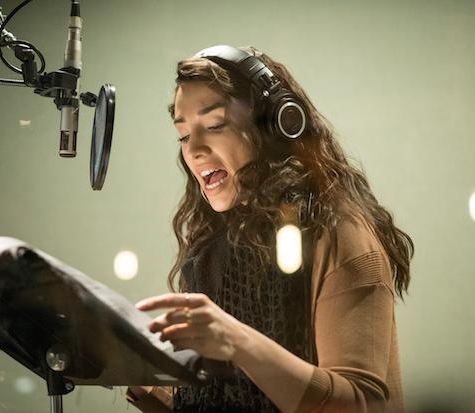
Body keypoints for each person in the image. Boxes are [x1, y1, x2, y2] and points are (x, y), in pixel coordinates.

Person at [126, 45, 414, 413]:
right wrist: (140, 379)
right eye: (183, 135)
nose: (194, 149)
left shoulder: (339, 230)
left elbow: (361, 404)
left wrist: (235, 341)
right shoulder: (213, 251)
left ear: (277, 124)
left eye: (215, 125)